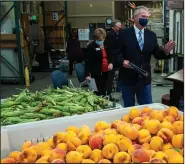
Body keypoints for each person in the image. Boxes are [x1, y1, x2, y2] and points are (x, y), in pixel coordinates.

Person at [119, 6, 176, 107]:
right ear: (135, 18)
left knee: (147, 109)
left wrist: (165, 51)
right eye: (143, 16)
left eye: (147, 17)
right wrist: (122, 61)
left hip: (144, 79)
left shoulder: (151, 35)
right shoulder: (124, 34)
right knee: (129, 109)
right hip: (127, 78)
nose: (146, 19)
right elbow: (116, 53)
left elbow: (157, 54)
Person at [85, 28, 113, 96]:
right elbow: (88, 61)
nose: (101, 41)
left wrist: (111, 63)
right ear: (95, 38)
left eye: (102, 39)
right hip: (97, 72)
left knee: (107, 88)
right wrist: (87, 75)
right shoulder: (91, 46)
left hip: (107, 70)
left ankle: (108, 98)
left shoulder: (107, 44)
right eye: (99, 40)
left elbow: (111, 56)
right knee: (99, 91)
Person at [105, 21, 122, 101]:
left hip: (113, 59)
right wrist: (112, 61)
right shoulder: (111, 34)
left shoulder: (115, 33)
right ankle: (108, 95)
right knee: (110, 78)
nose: (120, 28)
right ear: (114, 26)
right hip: (112, 59)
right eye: (119, 26)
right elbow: (111, 49)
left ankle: (110, 94)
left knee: (111, 78)